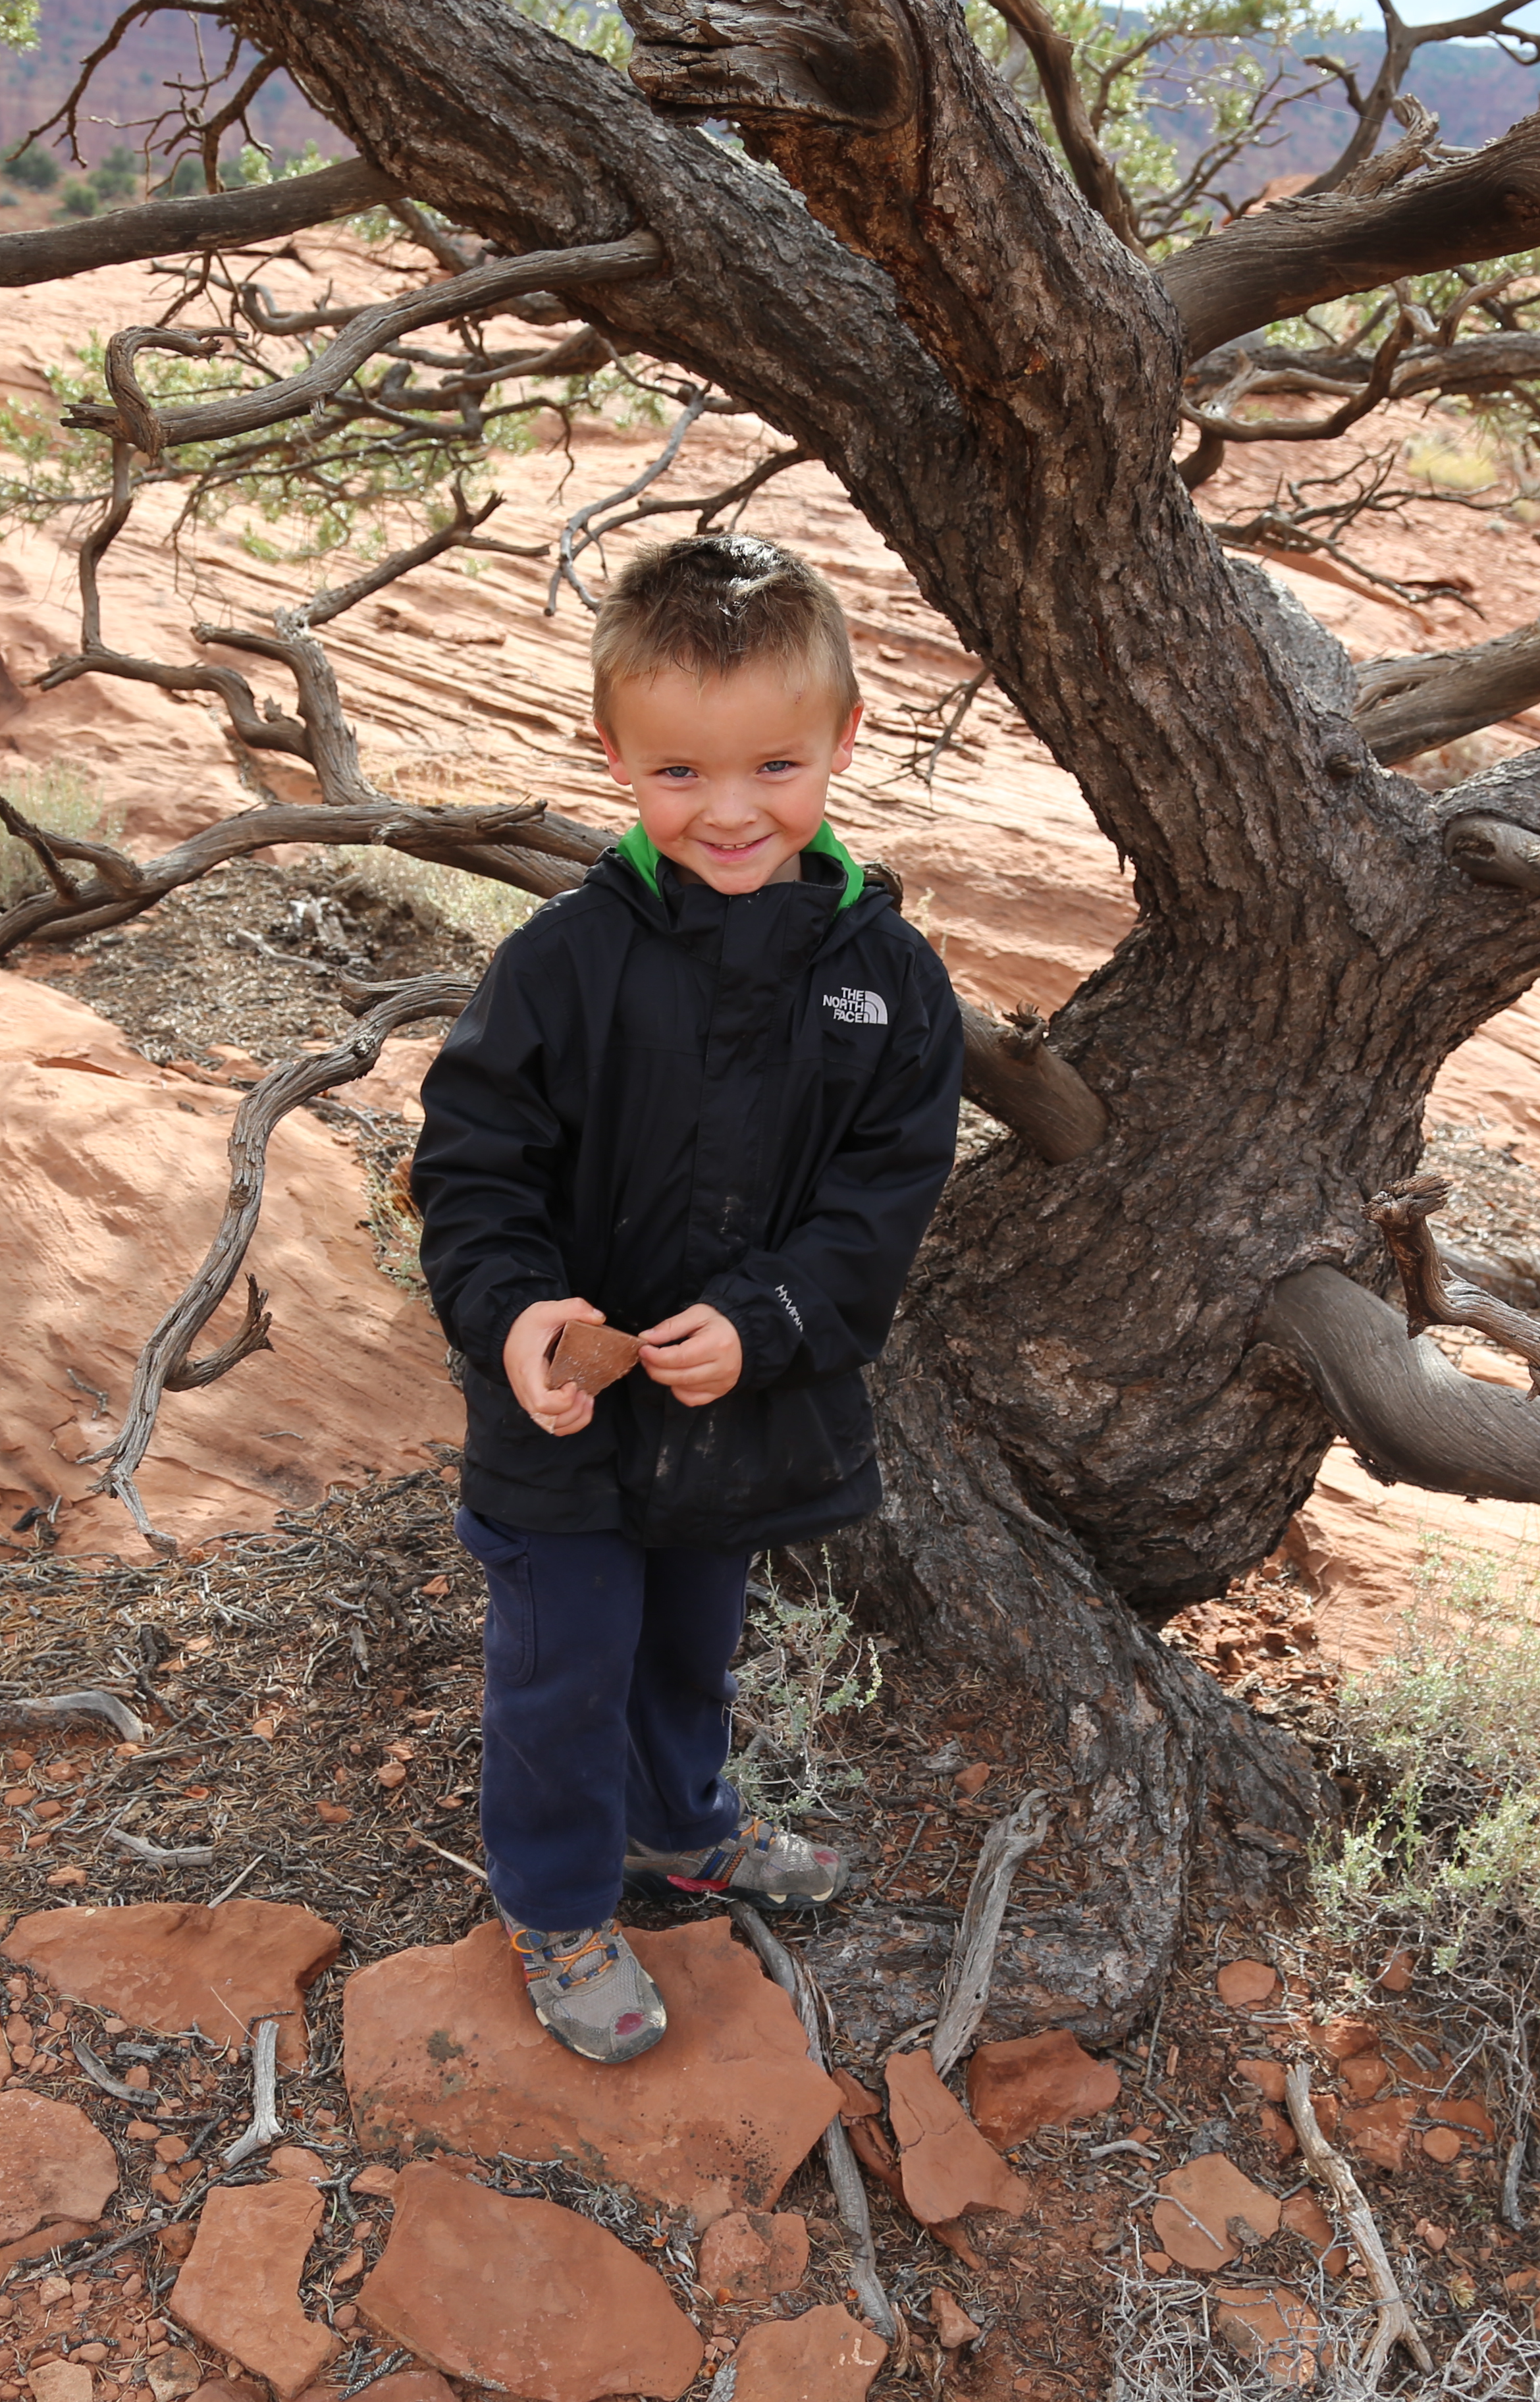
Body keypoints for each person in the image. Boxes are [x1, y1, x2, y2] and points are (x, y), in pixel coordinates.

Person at [411, 532, 967, 2063]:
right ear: (615, 759)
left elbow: (882, 1198)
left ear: (846, 740)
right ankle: (558, 1904)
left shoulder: (891, 982)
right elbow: (475, 1166)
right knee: (562, 1668)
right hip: (563, 1416)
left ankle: (685, 1835)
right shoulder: (563, 962)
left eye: (777, 765)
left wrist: (774, 1322)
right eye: (678, 775)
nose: (731, 811)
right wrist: (515, 1313)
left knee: (688, 1647)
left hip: (737, 1419)